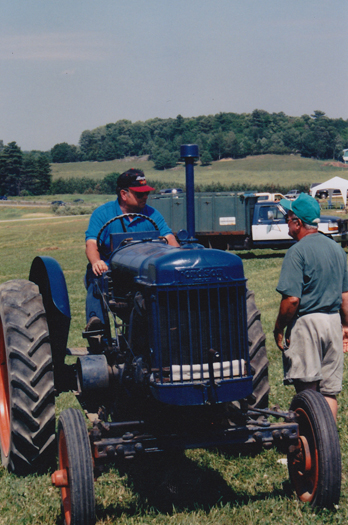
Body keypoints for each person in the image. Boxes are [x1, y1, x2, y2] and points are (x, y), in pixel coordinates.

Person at [273, 192, 348, 422]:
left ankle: (309, 449)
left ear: (297, 223)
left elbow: (292, 300)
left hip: (307, 324)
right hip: (333, 322)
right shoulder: (336, 249)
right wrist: (345, 325)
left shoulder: (297, 251)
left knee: (307, 392)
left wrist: (278, 327)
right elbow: (345, 295)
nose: (286, 222)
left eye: (288, 217)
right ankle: (328, 448)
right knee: (329, 392)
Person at [85, 168, 179, 326]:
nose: (145, 197)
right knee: (98, 277)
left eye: (146, 193)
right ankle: (97, 326)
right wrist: (96, 262)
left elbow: (169, 238)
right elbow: (91, 243)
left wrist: (177, 257)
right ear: (123, 194)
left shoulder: (153, 214)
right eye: (140, 194)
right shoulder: (102, 214)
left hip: (144, 272)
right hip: (113, 272)